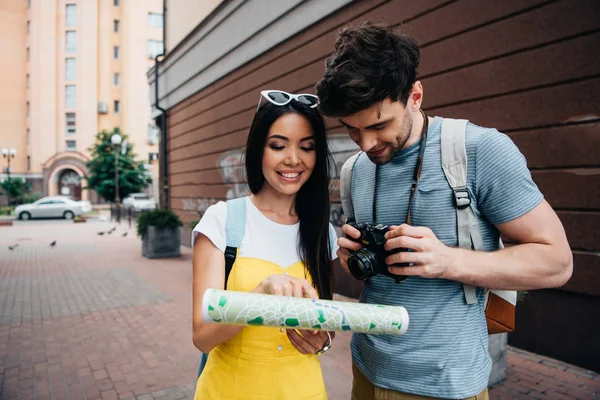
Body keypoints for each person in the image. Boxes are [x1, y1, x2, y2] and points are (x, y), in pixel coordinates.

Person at [315, 22, 573, 400]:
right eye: (352, 130)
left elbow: (558, 261)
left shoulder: (480, 151)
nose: (366, 143)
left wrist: (446, 261)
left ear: (415, 95)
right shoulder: (355, 170)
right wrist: (350, 253)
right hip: (366, 370)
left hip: (446, 385)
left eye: (379, 125)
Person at [191, 90, 339, 400]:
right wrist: (261, 294)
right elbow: (202, 337)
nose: (293, 159)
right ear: (259, 149)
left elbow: (323, 325)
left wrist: (322, 340)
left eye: (307, 147)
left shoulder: (322, 231)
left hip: (305, 390)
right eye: (278, 145)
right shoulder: (222, 220)